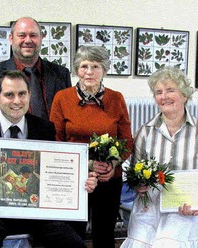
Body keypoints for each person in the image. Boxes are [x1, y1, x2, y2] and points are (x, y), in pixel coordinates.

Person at [0, 70, 97, 247]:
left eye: (22, 94)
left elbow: (53, 172)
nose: (17, 101)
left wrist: (81, 182)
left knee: (72, 241)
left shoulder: (44, 128)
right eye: (9, 95)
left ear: (29, 95)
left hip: (36, 212)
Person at [119, 67, 198, 247]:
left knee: (168, 243)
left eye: (170, 90)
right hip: (150, 201)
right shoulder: (145, 131)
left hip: (186, 205)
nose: (164, 96)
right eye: (159, 92)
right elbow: (134, 174)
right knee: (139, 243)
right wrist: (138, 185)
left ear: (185, 95)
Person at [50, 46, 133, 248]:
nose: (89, 72)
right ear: (77, 69)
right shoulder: (62, 98)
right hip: (73, 178)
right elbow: (55, 141)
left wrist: (112, 164)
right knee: (72, 234)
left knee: (104, 234)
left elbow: (127, 140)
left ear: (104, 70)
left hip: (108, 178)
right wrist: (86, 165)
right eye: (84, 66)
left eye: (95, 66)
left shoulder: (116, 98)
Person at [0, 16, 71, 119]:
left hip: (51, 134)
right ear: (11, 39)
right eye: (22, 35)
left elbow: (68, 115)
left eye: (33, 35)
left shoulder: (61, 74)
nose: (28, 40)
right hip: (9, 135)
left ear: (41, 38)